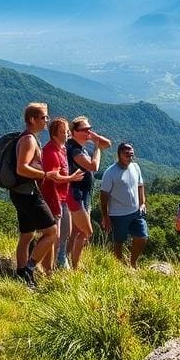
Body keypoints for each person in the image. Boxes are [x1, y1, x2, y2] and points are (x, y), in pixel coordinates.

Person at [10, 103, 82, 288]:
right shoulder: (29, 140)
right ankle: (29, 268)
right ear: (32, 120)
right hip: (28, 193)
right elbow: (21, 167)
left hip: (20, 192)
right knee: (51, 232)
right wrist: (45, 175)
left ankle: (21, 275)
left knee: (27, 235)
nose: (46, 121)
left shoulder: (28, 138)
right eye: (43, 117)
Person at [66, 116, 112, 270]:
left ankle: (67, 263)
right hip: (76, 194)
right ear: (74, 132)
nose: (88, 131)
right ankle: (73, 265)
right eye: (84, 129)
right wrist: (97, 147)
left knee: (76, 232)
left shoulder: (81, 145)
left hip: (84, 194)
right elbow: (93, 166)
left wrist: (95, 137)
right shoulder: (74, 149)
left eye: (89, 128)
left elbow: (108, 144)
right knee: (87, 231)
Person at [39, 117, 84, 272]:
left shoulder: (62, 149)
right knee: (54, 236)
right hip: (53, 198)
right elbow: (54, 177)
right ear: (55, 133)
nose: (67, 134)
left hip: (63, 197)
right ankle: (48, 269)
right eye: (64, 132)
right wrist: (71, 178)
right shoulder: (50, 151)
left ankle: (60, 261)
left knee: (66, 231)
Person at [100, 142, 148, 268]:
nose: (129, 157)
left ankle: (132, 263)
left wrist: (142, 203)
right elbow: (104, 195)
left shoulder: (135, 167)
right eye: (126, 155)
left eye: (131, 155)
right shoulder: (110, 172)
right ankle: (118, 265)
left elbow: (140, 185)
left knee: (142, 237)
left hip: (136, 212)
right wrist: (105, 216)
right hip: (118, 214)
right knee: (119, 241)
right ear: (119, 154)